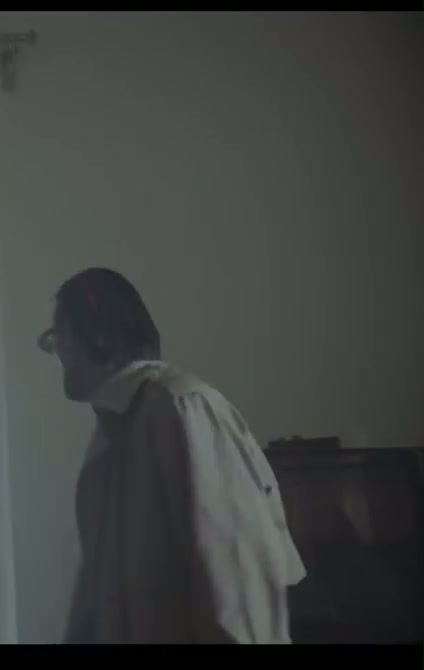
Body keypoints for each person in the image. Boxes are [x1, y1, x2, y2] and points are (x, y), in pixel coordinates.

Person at [39, 267, 306, 644]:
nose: (56, 352)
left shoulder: (180, 408)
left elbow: (235, 577)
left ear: (98, 334)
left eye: (59, 335)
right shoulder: (117, 426)